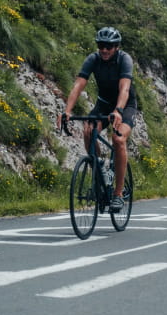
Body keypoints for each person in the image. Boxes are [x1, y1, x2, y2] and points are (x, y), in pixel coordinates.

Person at [58, 27, 137, 212]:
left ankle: (118, 194)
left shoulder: (124, 59)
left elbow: (124, 88)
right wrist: (67, 111)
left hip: (125, 105)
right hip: (103, 104)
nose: (104, 50)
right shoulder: (93, 59)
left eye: (109, 46)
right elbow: (78, 85)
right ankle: (100, 166)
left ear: (116, 47)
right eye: (101, 45)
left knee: (118, 139)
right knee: (88, 131)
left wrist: (118, 110)